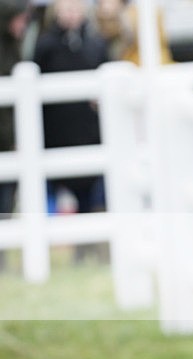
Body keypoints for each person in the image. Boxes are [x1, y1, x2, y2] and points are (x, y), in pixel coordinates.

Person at [34, 0, 108, 260]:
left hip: (87, 129)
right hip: (58, 129)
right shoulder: (46, 45)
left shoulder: (95, 42)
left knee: (90, 191)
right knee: (58, 189)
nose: (72, 14)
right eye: (67, 9)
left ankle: (88, 248)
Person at [0, 0, 28, 271]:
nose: (24, 25)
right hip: (4, 136)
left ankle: (3, 257)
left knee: (7, 201)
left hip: (8, 139)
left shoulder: (14, 47)